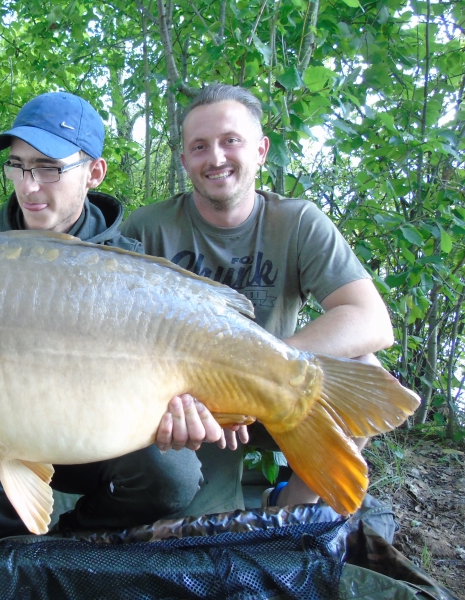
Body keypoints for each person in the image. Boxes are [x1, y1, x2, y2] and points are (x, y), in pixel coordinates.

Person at [0, 92, 248, 539]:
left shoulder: (132, 270)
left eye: (49, 168)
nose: (28, 186)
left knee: (173, 475)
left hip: (102, 443)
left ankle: (74, 541)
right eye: (18, 166)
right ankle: (17, 540)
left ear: (93, 172)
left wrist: (191, 410)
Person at [120, 83, 394, 512]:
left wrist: (252, 373)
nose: (215, 158)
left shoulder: (297, 221)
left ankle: (290, 507)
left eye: (231, 141)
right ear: (184, 160)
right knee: (202, 535)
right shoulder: (148, 228)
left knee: (366, 370)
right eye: (199, 146)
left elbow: (371, 320)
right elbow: (117, 336)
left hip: (277, 395)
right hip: (192, 408)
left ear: (261, 150)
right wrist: (205, 394)